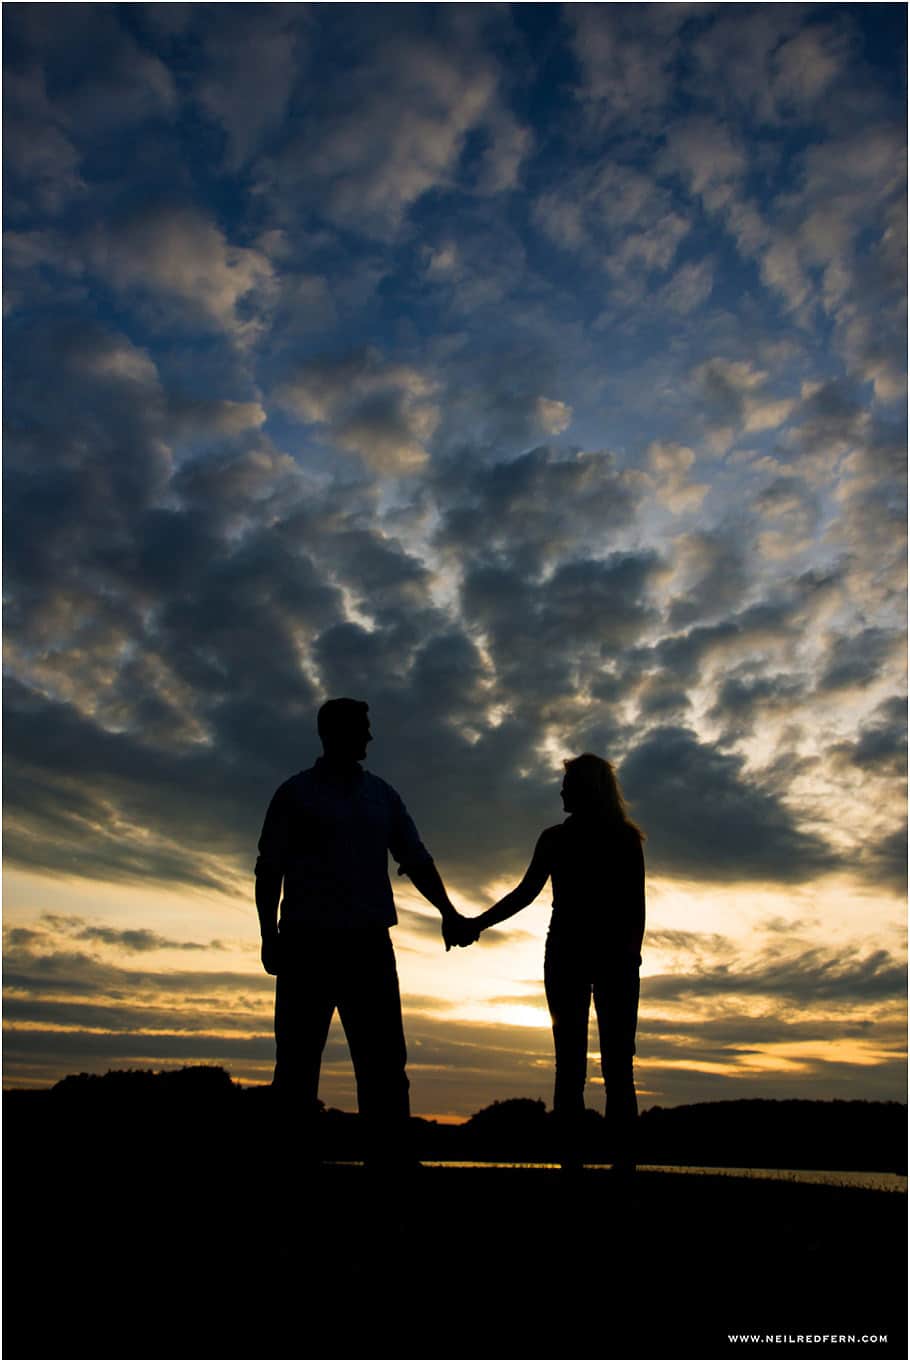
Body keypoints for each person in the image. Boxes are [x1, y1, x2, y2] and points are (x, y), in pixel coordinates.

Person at [255, 697, 467, 1166]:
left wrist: (449, 912)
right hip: (306, 944)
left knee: (385, 1067)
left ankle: (390, 1167)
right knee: (296, 1066)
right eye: (362, 729)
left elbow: (416, 859)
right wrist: (269, 936)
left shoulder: (382, 796)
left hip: (368, 944)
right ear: (334, 733)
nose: (370, 738)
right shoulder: (295, 794)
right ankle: (287, 1164)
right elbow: (269, 869)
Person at [456, 753, 645, 1171]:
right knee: (607, 1064)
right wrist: (478, 923)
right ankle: (604, 1165)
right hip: (584, 959)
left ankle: (585, 1164)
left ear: (585, 789)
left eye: (567, 783)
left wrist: (476, 924)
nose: (560, 790)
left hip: (582, 958)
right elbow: (528, 894)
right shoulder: (607, 838)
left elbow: (634, 909)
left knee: (584, 1064)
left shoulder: (599, 839)